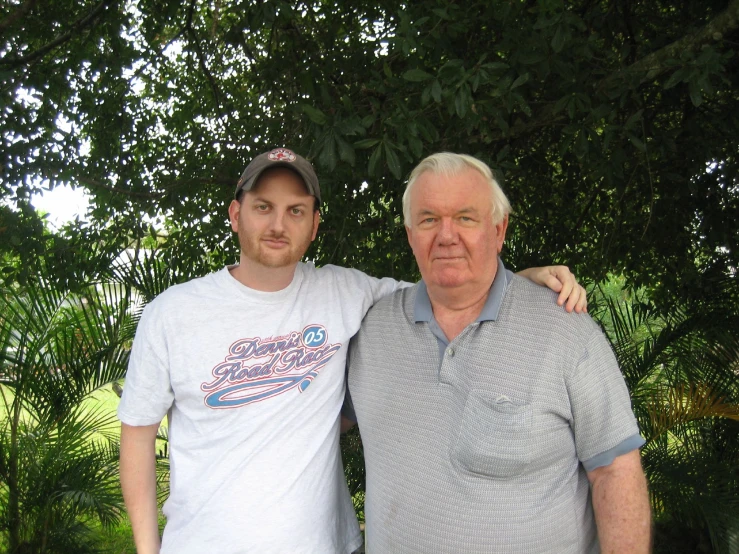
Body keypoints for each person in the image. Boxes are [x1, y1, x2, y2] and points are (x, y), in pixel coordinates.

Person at [118, 148, 587, 554]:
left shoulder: (344, 293)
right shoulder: (173, 314)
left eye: (296, 210)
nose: (279, 224)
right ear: (236, 214)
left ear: (316, 224)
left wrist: (522, 280)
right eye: (264, 206)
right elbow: (136, 437)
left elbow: (448, 293)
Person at [346, 152, 651, 553]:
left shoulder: (565, 330)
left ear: (499, 229)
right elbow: (306, 425)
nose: (446, 235)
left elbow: (615, 471)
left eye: (466, 218)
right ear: (410, 234)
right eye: (428, 219)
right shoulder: (371, 331)